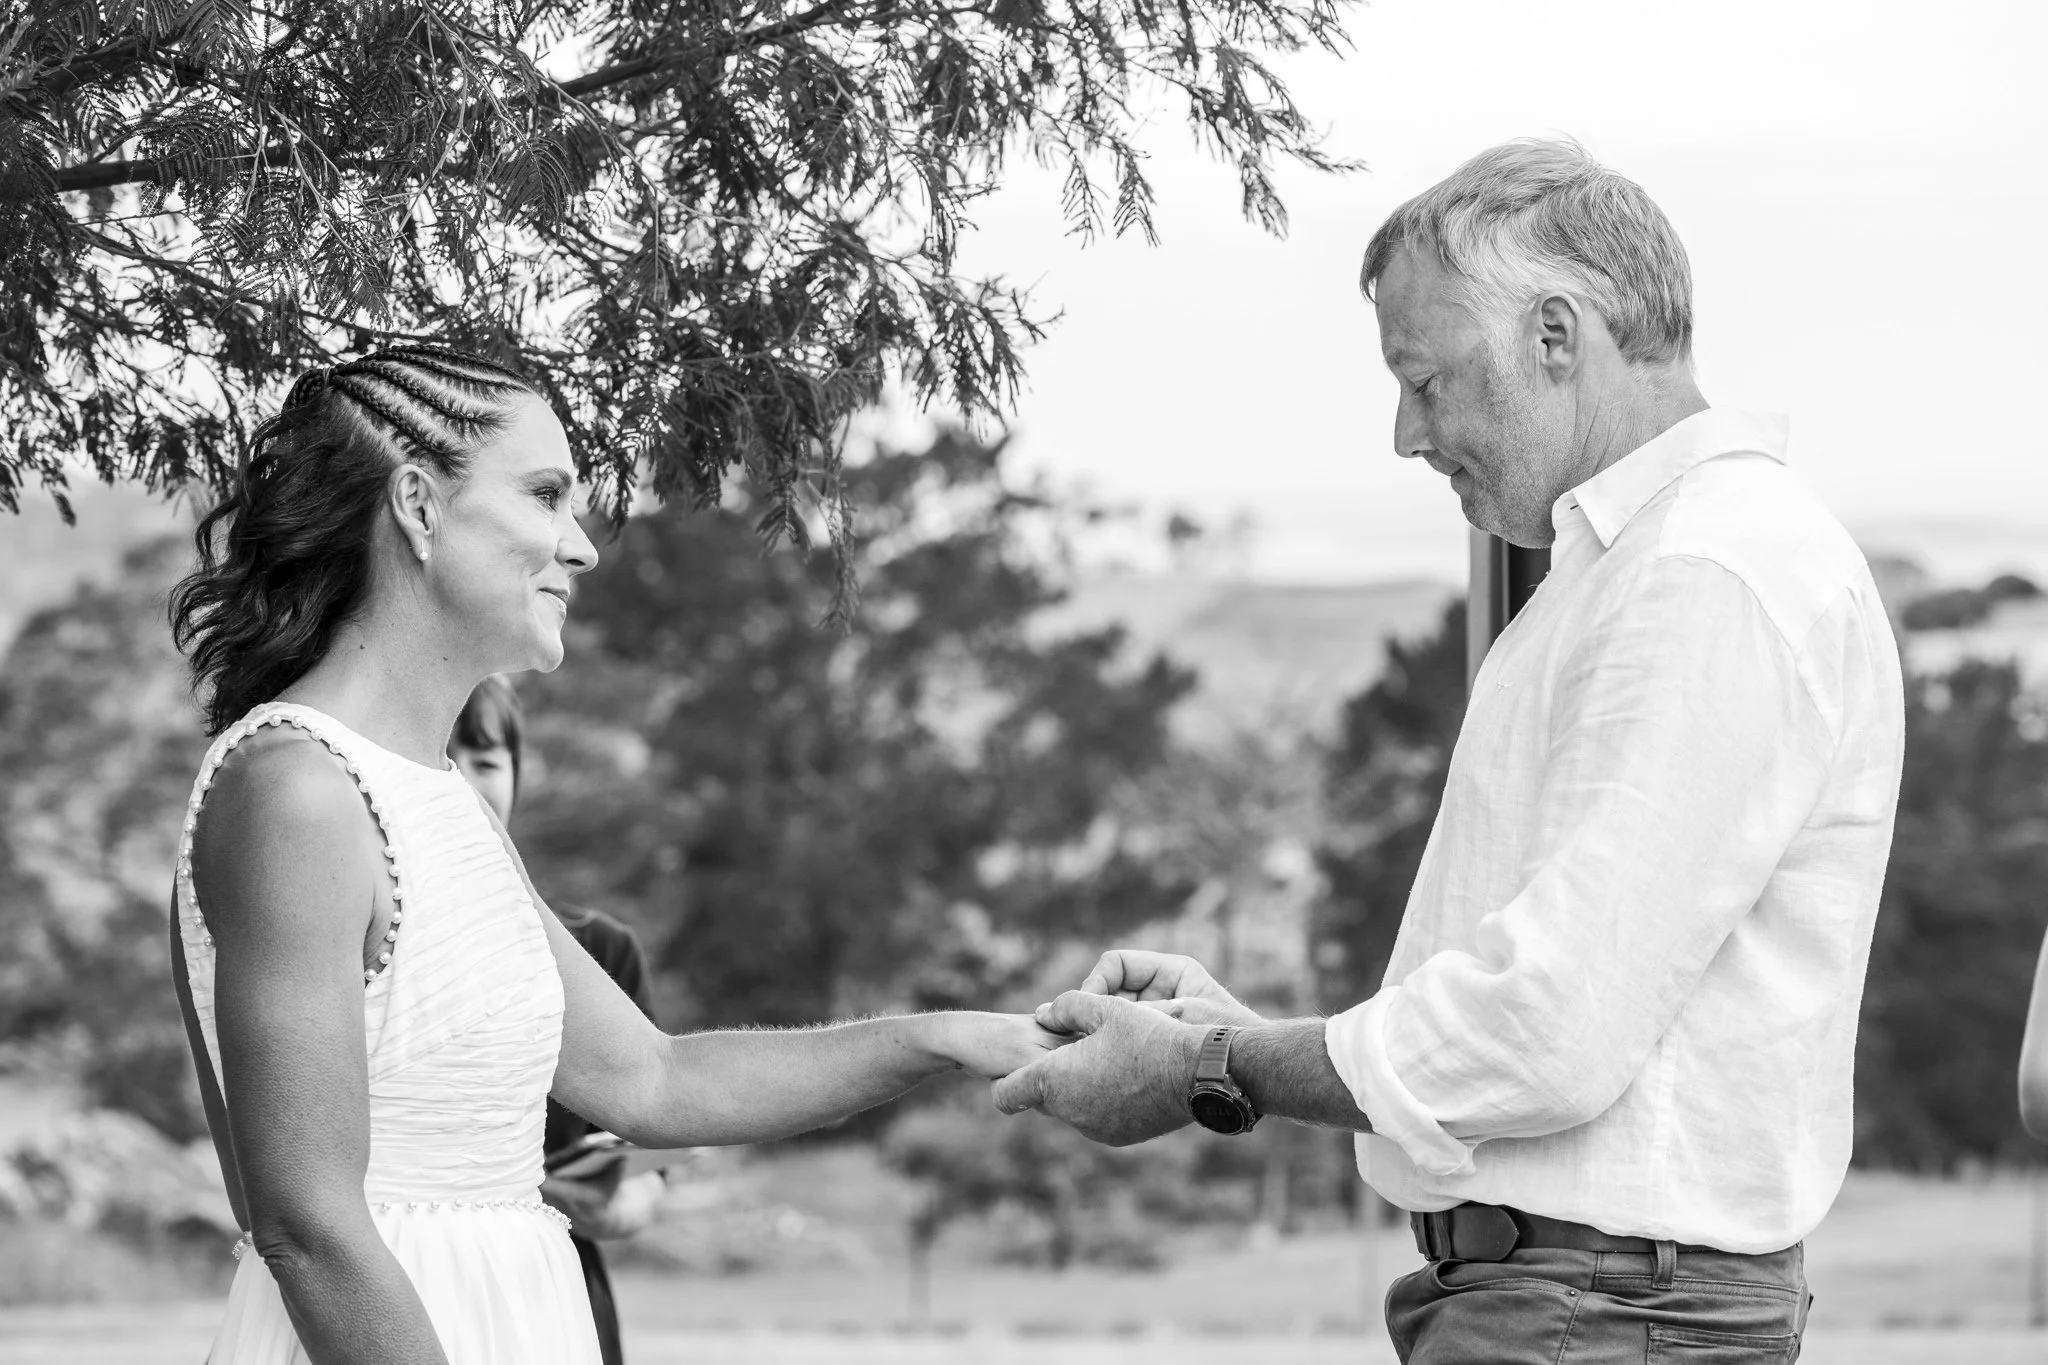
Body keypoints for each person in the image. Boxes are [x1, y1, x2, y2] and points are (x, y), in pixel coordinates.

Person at [991, 140, 1906, 1362]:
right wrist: (1246, 1037)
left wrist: (1208, 1063)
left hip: (1595, 1316)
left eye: (1424, 380)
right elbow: (1545, 1006)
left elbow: (1548, 1027)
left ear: (1553, 336)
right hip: (1585, 1304)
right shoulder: (1649, 566)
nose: (1404, 433)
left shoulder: (1699, 572)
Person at [164, 345, 1062, 1365]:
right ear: (417, 506)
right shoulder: (297, 791)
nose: (582, 548)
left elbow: (654, 1081)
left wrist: (948, 1037)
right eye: (545, 495)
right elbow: (309, 1227)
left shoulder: (441, 800)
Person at [446, 674, 661, 1365]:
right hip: (412, 1278)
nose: (462, 780)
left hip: (558, 1286)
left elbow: (646, 1144)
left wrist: (624, 1204)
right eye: (440, 755)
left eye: (486, 760)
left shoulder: (601, 950)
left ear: (518, 773)